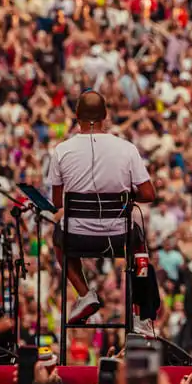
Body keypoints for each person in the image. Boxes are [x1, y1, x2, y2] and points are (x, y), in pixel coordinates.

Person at [47, 91, 156, 323]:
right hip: (118, 237)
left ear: (76, 117)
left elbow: (57, 203)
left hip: (76, 237)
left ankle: (85, 294)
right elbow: (148, 193)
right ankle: (140, 315)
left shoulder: (61, 151)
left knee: (57, 237)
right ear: (105, 116)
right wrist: (125, 197)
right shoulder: (126, 149)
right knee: (139, 242)